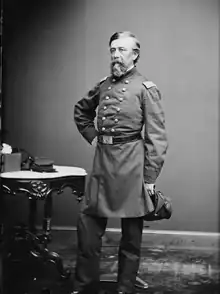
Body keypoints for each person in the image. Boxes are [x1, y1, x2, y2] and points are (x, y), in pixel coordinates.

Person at [73, 31, 168, 294]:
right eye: (113, 50)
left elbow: (157, 138)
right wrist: (93, 136)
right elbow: (81, 111)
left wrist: (150, 179)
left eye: (122, 50)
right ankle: (84, 284)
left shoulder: (145, 88)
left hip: (131, 164)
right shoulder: (103, 85)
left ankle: (125, 286)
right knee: (88, 223)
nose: (116, 55)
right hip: (103, 161)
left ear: (135, 54)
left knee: (131, 233)